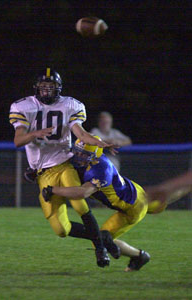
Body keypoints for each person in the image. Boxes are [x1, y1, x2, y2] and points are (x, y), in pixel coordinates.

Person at [9, 68, 115, 268]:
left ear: (58, 88)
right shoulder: (23, 106)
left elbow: (81, 135)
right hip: (43, 173)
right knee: (61, 230)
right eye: (43, 87)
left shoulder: (70, 105)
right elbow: (18, 140)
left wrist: (101, 142)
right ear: (36, 88)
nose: (47, 91)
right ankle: (103, 238)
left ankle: (100, 250)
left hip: (63, 162)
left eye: (51, 87)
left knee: (80, 204)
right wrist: (35, 133)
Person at [42, 137, 158, 271]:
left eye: (83, 154)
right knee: (99, 237)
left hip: (133, 206)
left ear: (94, 156)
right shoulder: (85, 160)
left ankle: (139, 256)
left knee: (99, 240)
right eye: (77, 151)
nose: (78, 156)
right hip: (132, 190)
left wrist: (53, 190)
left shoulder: (101, 168)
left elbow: (83, 193)